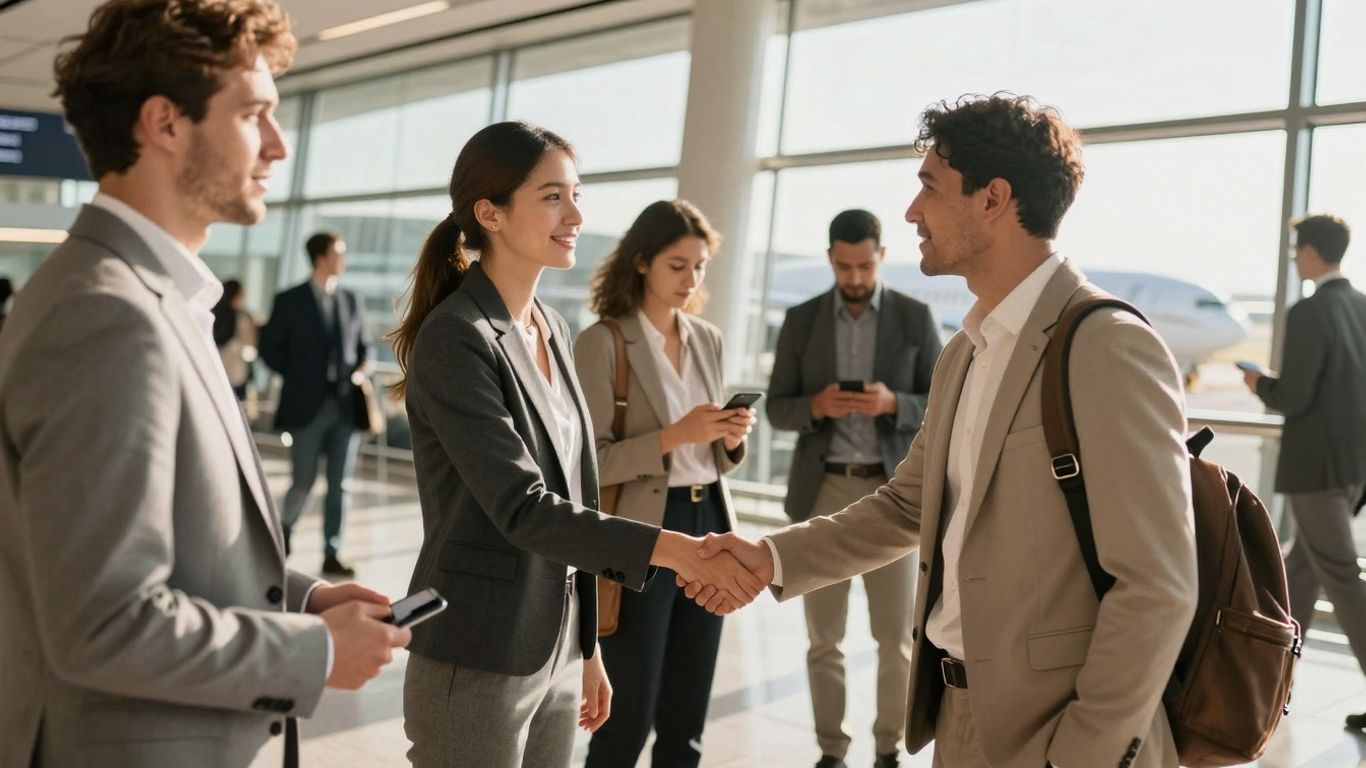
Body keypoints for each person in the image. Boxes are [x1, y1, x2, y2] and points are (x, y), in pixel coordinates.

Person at [684, 94, 1198, 768]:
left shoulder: (1105, 344)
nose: (911, 210)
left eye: (929, 185)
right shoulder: (970, 348)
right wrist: (771, 558)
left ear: (993, 199)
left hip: (1054, 734)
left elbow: (1159, 585)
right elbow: (907, 505)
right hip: (955, 717)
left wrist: (1079, 755)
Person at [0, 2, 409, 766]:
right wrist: (312, 652)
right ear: (165, 124)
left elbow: (175, 542)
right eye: (255, 114)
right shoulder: (106, 315)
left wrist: (303, 597)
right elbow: (103, 620)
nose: (279, 146)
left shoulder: (155, 298)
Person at [389, 121, 763, 768]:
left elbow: (580, 489)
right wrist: (679, 552)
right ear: (491, 214)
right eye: (553, 196)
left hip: (555, 647)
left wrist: (586, 646)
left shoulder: (553, 328)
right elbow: (522, 506)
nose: (576, 215)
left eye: (578, 194)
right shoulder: (457, 338)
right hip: (477, 647)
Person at [575, 200, 756, 768]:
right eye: (678, 265)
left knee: (687, 715)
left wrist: (730, 436)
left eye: (699, 266)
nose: (691, 279)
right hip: (642, 530)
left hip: (709, 525)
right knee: (627, 716)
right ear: (642, 263)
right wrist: (676, 435)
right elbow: (590, 464)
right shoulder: (602, 343)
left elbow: (717, 461)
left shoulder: (708, 338)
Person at [767, 208, 941, 768]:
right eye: (843, 266)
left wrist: (895, 404)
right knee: (824, 639)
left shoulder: (915, 318)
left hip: (893, 498)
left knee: (897, 639)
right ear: (830, 260)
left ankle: (888, 751)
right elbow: (776, 408)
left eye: (864, 265)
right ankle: (831, 754)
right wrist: (815, 406)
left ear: (881, 257)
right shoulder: (801, 320)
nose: (855, 277)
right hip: (821, 494)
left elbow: (943, 406)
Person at [1242, 213, 1366, 731]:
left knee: (1341, 579)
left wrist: (1259, 384)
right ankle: (1273, 683)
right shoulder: (1362, 306)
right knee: (1298, 577)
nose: (1294, 257)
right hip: (1352, 467)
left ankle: (1269, 685)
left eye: (1297, 249)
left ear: (1313, 252)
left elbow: (1293, 395)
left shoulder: (1311, 311)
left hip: (1315, 470)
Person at [259, 231, 371, 576]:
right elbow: (269, 349)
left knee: (340, 485)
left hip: (345, 409)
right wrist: (297, 377)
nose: (344, 258)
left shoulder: (351, 300)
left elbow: (364, 347)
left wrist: (360, 372)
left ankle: (332, 552)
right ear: (320, 258)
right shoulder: (289, 299)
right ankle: (284, 535)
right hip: (306, 407)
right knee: (303, 480)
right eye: (339, 252)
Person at [214, 278, 259, 400]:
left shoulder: (215, 313)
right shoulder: (243, 318)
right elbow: (249, 346)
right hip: (236, 371)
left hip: (217, 369)